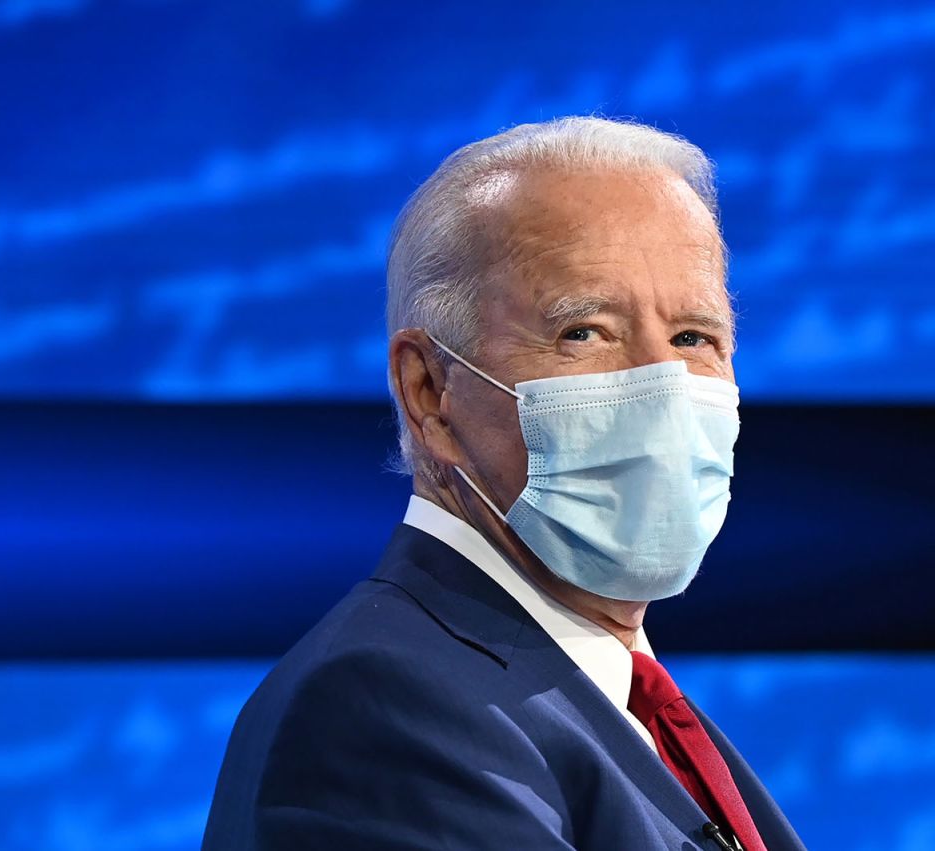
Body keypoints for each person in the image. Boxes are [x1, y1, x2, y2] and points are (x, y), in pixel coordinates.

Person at [202, 117, 806, 851]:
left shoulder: (623, 705)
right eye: (583, 331)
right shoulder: (386, 705)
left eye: (693, 338)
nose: (664, 386)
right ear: (430, 391)